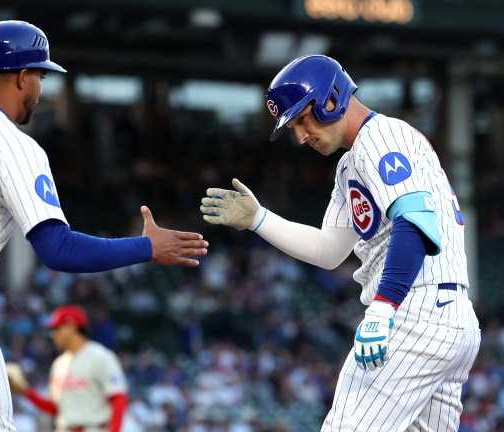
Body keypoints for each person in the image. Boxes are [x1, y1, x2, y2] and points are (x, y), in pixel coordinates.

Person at [0, 20, 207, 431]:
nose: (41, 88)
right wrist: (146, 247)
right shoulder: (11, 142)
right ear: (22, 77)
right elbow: (58, 250)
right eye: (39, 76)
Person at [199, 55, 480, 431]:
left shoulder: (382, 137)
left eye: (302, 119)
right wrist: (259, 219)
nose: (300, 136)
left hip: (416, 313)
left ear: (331, 99)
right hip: (448, 319)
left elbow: (414, 222)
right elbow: (330, 250)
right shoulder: (352, 163)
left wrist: (383, 309)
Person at [7, 305, 127, 432]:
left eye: (57, 329)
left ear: (71, 326)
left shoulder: (101, 356)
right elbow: (55, 408)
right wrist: (26, 392)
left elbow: (118, 398)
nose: (53, 335)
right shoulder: (59, 364)